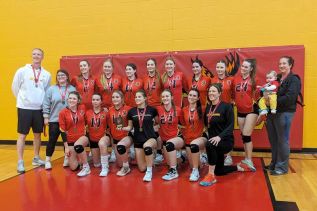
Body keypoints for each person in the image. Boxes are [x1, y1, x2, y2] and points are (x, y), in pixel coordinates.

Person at [12, 48, 51, 173]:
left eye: (39, 54)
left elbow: (46, 91)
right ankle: (20, 161)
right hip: (24, 108)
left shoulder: (46, 74)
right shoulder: (22, 71)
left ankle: (36, 157)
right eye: (34, 54)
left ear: (42, 57)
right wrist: (24, 100)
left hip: (38, 109)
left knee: (37, 135)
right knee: (22, 135)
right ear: (31, 55)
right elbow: (15, 87)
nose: (36, 56)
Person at [265, 56, 301, 175]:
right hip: (272, 113)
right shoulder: (278, 78)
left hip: (285, 113)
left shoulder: (293, 79)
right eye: (280, 63)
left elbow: (290, 98)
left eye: (284, 63)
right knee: (274, 140)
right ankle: (274, 163)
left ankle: (282, 168)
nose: (281, 66)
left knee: (282, 141)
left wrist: (272, 101)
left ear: (290, 65)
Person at [199, 83, 241, 187]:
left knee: (209, 144)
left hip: (225, 141)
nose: (211, 93)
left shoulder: (227, 107)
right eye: (209, 91)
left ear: (219, 93)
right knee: (220, 171)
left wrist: (219, 137)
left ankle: (210, 175)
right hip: (214, 141)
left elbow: (230, 126)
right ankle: (238, 167)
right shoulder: (208, 108)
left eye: (213, 91)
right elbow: (207, 125)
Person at [120, 90, 158, 182]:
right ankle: (151, 157)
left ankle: (149, 172)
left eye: (139, 97)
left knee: (147, 147)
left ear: (145, 98)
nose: (137, 98)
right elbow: (130, 127)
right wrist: (122, 128)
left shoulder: (152, 110)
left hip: (150, 138)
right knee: (141, 168)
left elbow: (158, 123)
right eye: (136, 97)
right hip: (138, 140)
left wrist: (154, 129)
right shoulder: (132, 111)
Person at [43, 69, 76, 170]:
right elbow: (46, 103)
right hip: (54, 120)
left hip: (68, 120)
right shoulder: (51, 89)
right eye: (58, 75)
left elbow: (76, 102)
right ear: (56, 77)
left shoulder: (72, 89)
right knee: (52, 140)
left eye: (63, 75)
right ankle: (48, 160)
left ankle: (67, 157)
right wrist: (46, 117)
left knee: (68, 141)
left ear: (67, 77)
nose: (60, 77)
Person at [232, 59, 259, 171]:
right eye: (242, 66)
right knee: (244, 136)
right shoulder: (235, 79)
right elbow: (233, 94)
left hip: (251, 110)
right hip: (240, 110)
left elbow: (258, 96)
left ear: (251, 69)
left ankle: (249, 160)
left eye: (246, 67)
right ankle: (246, 158)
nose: (243, 68)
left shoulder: (255, 80)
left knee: (247, 135)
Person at [59, 91, 90, 177]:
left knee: (78, 145)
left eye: (74, 98)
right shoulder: (62, 113)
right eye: (70, 98)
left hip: (82, 137)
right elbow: (62, 131)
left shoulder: (82, 107)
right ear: (67, 99)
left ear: (78, 100)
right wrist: (66, 148)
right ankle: (83, 158)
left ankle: (86, 167)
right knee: (73, 167)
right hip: (70, 140)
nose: (72, 100)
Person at [157, 89, 184, 181]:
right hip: (165, 139)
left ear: (172, 97)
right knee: (170, 163)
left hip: (177, 138)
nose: (165, 98)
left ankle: (174, 172)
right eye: (163, 96)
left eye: (167, 96)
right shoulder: (158, 109)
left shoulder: (178, 109)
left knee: (170, 145)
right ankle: (183, 158)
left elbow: (184, 125)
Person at [211, 60, 234, 166]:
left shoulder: (231, 79)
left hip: (227, 108)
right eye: (218, 67)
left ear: (225, 68)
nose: (219, 69)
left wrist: (231, 103)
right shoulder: (213, 80)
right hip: (216, 108)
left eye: (221, 67)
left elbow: (234, 93)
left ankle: (228, 155)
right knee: (216, 130)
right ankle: (216, 153)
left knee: (228, 131)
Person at [181, 88, 207, 182]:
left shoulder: (203, 108)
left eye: (194, 96)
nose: (191, 97)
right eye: (190, 95)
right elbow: (183, 125)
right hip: (188, 139)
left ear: (198, 98)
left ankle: (196, 171)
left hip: (199, 138)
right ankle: (185, 156)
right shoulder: (183, 110)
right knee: (192, 165)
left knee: (196, 167)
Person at [106, 90, 132, 176]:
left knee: (122, 148)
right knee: (119, 164)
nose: (115, 99)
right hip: (116, 138)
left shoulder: (128, 109)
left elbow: (131, 126)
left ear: (122, 98)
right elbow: (110, 127)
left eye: (117, 97)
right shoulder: (110, 110)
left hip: (127, 137)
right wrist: (113, 142)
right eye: (113, 97)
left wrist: (125, 129)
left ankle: (126, 167)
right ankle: (129, 157)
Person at [143, 58, 164, 164]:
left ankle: (160, 153)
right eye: (148, 64)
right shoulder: (144, 78)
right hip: (148, 108)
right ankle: (154, 151)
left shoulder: (160, 77)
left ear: (155, 66)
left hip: (159, 107)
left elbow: (164, 91)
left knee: (160, 129)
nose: (150, 66)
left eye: (152, 64)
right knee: (150, 129)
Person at [85, 93, 110, 176]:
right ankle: (103, 156)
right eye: (93, 100)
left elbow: (110, 126)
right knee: (96, 165)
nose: (95, 101)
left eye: (97, 100)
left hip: (103, 138)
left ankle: (105, 167)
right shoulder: (87, 113)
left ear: (101, 101)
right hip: (93, 139)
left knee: (102, 143)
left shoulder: (106, 112)